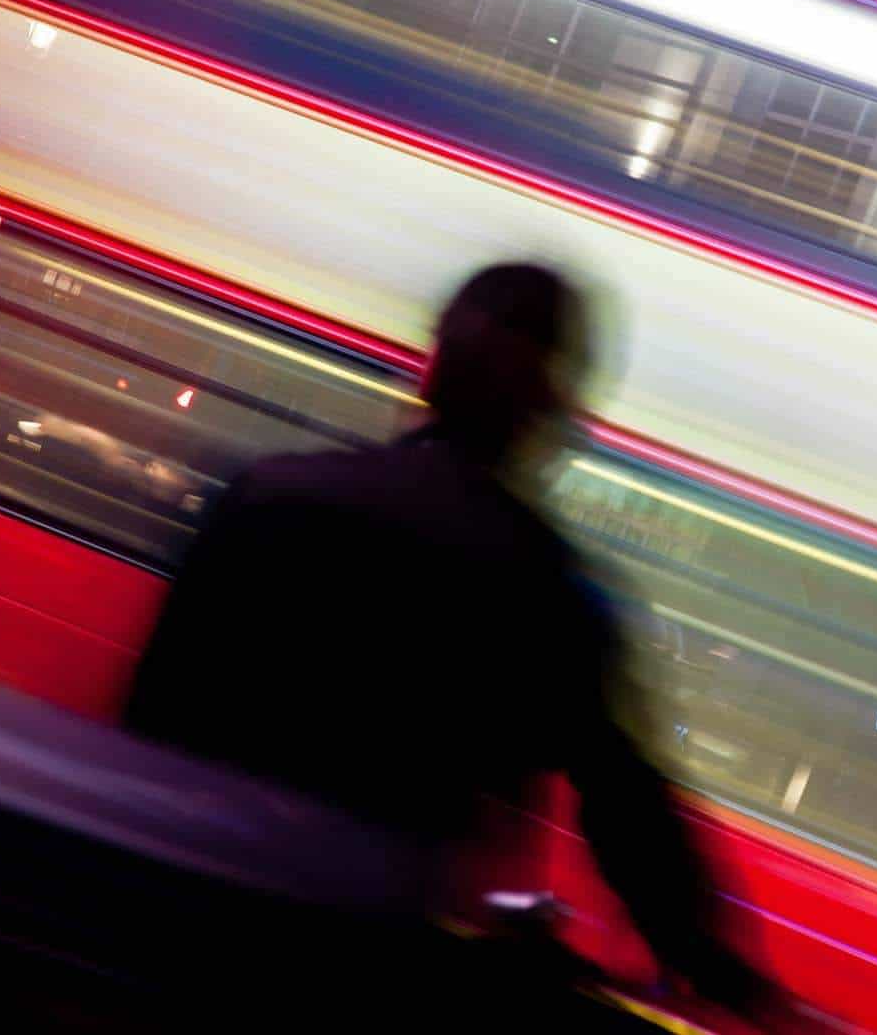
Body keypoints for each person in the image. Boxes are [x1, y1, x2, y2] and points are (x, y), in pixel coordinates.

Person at [123, 264, 785, 1027]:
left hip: (196, 938)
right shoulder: (546, 586)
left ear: (432, 369)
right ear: (549, 413)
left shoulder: (269, 495)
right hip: (374, 970)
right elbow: (632, 820)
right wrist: (733, 982)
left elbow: (153, 715)